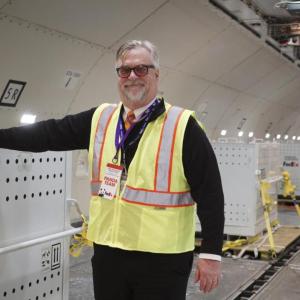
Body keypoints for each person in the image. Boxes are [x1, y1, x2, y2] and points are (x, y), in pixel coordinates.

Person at [0, 40, 224, 300]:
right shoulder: (101, 118)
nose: (132, 77)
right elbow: (48, 134)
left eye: (141, 69)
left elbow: (211, 195)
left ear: (156, 74)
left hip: (162, 260)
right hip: (109, 253)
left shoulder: (182, 126)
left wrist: (211, 254)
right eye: (124, 70)